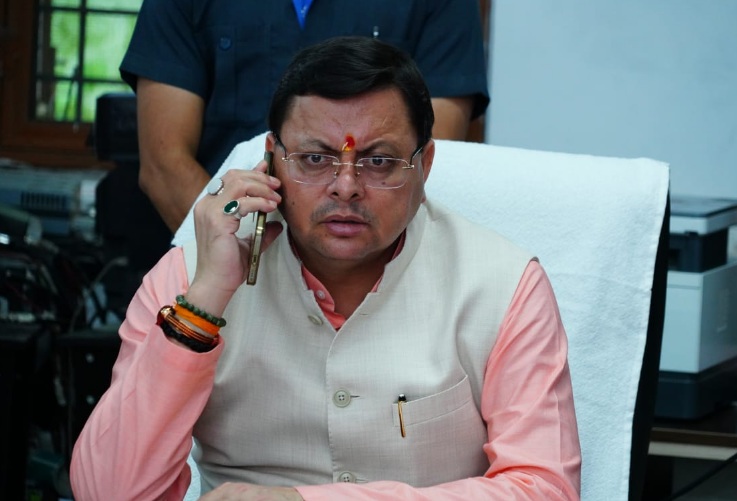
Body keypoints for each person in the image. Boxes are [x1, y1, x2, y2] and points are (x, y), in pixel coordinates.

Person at [71, 37, 581, 500]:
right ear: (272, 160)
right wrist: (204, 301)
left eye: (378, 162)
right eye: (314, 159)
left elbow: (545, 489)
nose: (345, 187)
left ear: (424, 166)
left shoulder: (503, 285)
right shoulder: (189, 278)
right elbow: (107, 493)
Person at [120, 0, 490, 233]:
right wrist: (233, 252)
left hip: (375, 269)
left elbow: (424, 157)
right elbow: (164, 165)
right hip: (223, 254)